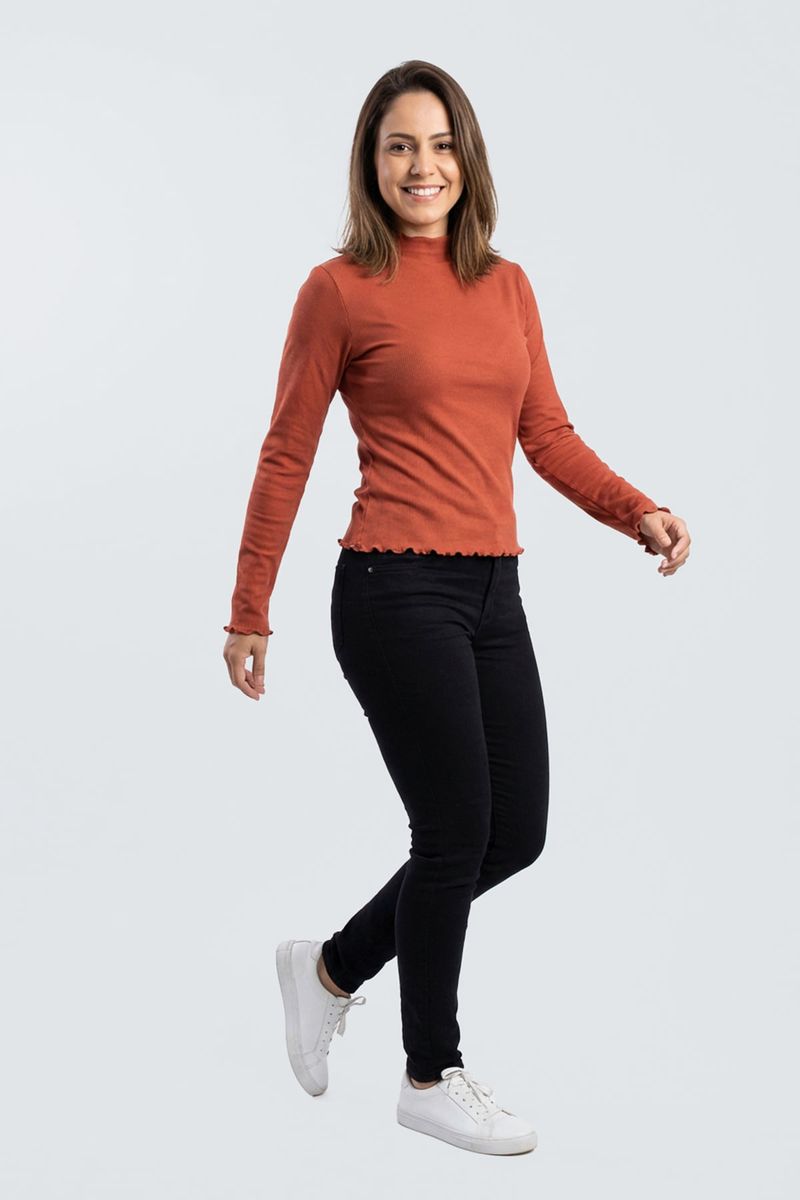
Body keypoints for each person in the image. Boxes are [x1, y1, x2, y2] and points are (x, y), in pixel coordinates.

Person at [222, 60, 690, 1156]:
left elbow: (546, 435)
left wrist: (637, 510)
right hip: (390, 589)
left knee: (512, 832)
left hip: (492, 587)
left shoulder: (506, 286)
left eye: (438, 144)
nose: (420, 165)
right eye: (398, 146)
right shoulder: (339, 290)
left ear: (466, 159)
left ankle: (329, 968)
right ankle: (429, 1074)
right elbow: (287, 451)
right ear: (370, 164)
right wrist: (249, 607)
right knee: (453, 832)